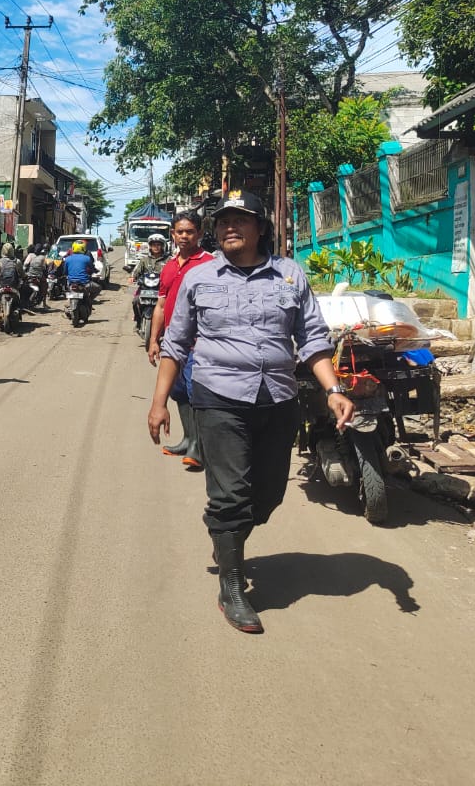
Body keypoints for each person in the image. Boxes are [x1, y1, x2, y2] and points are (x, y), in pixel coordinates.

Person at [148, 191, 353, 634]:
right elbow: (176, 344)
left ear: (263, 228)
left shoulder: (289, 275)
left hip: (278, 399)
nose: (229, 229)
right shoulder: (198, 279)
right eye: (222, 223)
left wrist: (333, 388)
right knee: (232, 496)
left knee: (269, 495)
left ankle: (225, 533)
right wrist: (159, 402)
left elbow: (313, 339)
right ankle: (233, 585)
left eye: (241, 221)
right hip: (218, 398)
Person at [148, 213, 212, 470]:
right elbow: (161, 305)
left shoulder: (209, 263)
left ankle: (199, 445)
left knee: (195, 394)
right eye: (179, 232)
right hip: (174, 343)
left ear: (199, 234)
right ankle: (188, 439)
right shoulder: (169, 266)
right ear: (172, 235)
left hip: (200, 341)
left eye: (190, 231)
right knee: (178, 392)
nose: (184, 236)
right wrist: (154, 340)